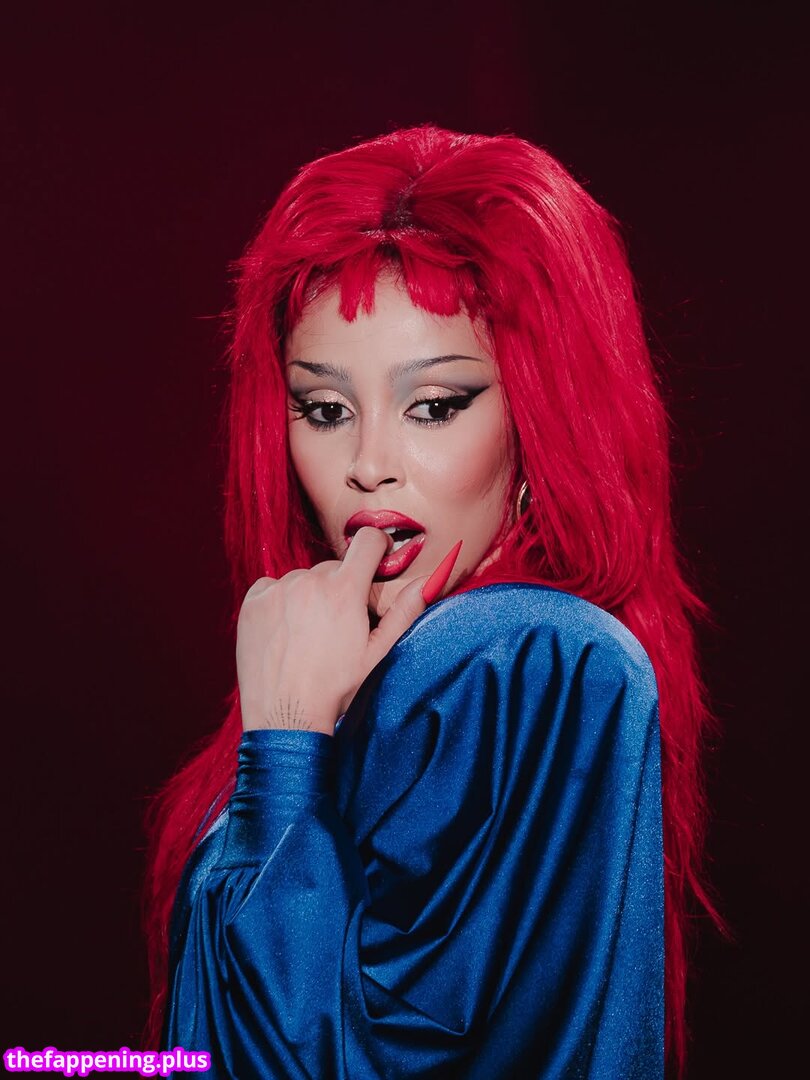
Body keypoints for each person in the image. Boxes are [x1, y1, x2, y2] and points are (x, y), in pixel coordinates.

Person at [143, 125, 716, 1078]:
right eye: (325, 410)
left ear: (539, 413)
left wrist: (284, 754)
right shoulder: (411, 664)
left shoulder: (528, 654)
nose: (369, 465)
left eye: (436, 405)